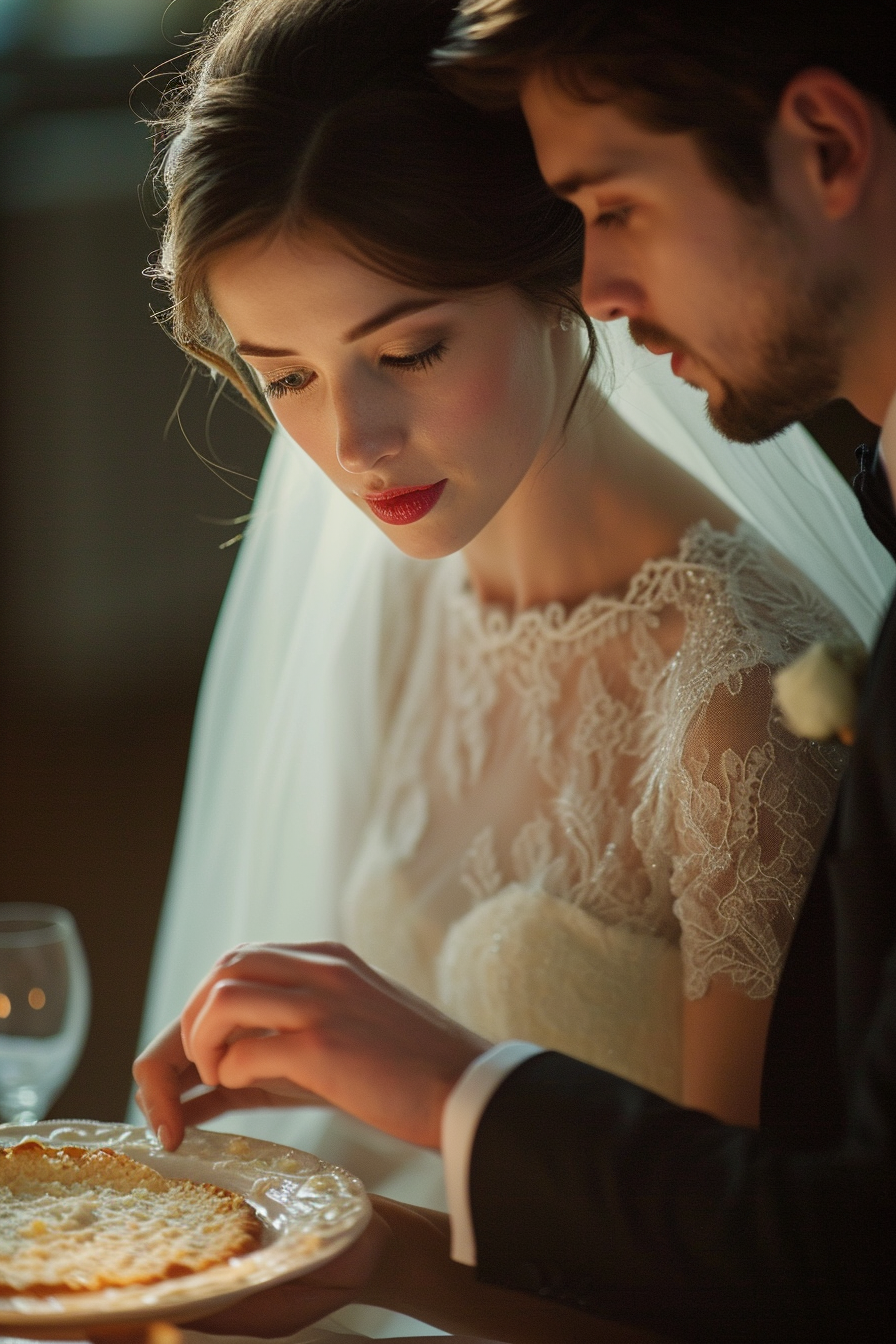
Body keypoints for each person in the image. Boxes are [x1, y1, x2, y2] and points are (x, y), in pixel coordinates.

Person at [134, 0, 896, 1339]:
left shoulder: (751, 688)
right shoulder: (398, 579)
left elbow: (760, 1285)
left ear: (558, 270)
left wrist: (405, 1230)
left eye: (410, 349)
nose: (355, 445)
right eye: (288, 378)